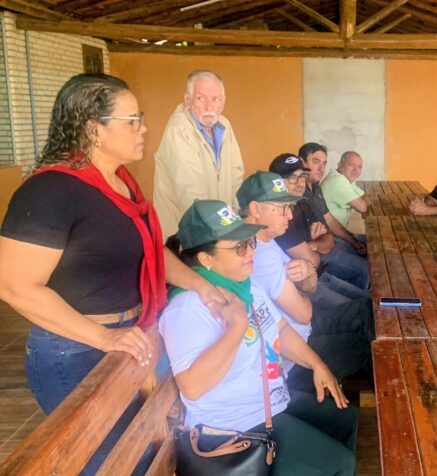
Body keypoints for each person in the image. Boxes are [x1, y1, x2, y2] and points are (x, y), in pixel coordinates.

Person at [0, 73, 222, 474]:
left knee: (144, 455)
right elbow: (15, 287)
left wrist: (198, 283)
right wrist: (104, 336)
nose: (144, 129)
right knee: (110, 464)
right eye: (132, 120)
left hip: (129, 340)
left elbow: (150, 251)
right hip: (73, 352)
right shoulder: (50, 192)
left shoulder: (121, 183)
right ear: (93, 129)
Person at [161, 199, 357, 475]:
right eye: (239, 246)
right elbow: (192, 387)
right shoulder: (188, 308)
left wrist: (317, 365)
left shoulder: (246, 285)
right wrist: (237, 325)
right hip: (236, 425)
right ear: (206, 259)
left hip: (271, 400)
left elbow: (282, 330)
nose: (249, 251)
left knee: (349, 421)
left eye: (250, 242)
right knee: (339, 464)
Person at [236, 170, 374, 391]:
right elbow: (304, 312)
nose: (290, 216)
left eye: (289, 208)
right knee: (370, 348)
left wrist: (305, 278)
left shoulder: (267, 239)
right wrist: (305, 279)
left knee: (367, 310)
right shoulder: (257, 254)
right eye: (282, 208)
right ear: (255, 209)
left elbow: (309, 282)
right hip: (295, 353)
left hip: (303, 328)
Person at [267, 155, 369, 306]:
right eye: (292, 177)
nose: (300, 182)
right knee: (365, 311)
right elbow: (314, 259)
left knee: (370, 302)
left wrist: (313, 245)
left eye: (302, 176)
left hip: (323, 274)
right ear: (276, 182)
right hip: (308, 287)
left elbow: (328, 237)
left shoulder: (303, 203)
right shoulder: (280, 217)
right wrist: (318, 246)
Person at [154, 70, 244, 238]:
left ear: (223, 102)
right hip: (186, 234)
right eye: (201, 98)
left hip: (218, 228)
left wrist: (234, 216)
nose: (209, 106)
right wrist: (222, 227)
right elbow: (191, 192)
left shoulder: (224, 125)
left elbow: (236, 173)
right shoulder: (179, 129)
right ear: (188, 100)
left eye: (215, 99)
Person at [299, 143, 370, 291]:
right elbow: (364, 206)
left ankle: (359, 292)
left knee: (373, 244)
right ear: (302, 162)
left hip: (330, 240)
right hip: (321, 252)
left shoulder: (316, 187)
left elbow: (329, 219)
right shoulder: (300, 193)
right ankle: (359, 298)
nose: (321, 168)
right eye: (315, 161)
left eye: (324, 163)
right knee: (366, 268)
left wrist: (353, 241)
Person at [321, 151, 368, 227]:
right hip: (329, 235)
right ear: (340, 165)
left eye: (359, 166)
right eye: (351, 165)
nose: (356, 170)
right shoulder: (338, 181)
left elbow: (363, 196)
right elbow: (363, 207)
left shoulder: (343, 178)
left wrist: (358, 201)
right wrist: (358, 202)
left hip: (335, 232)